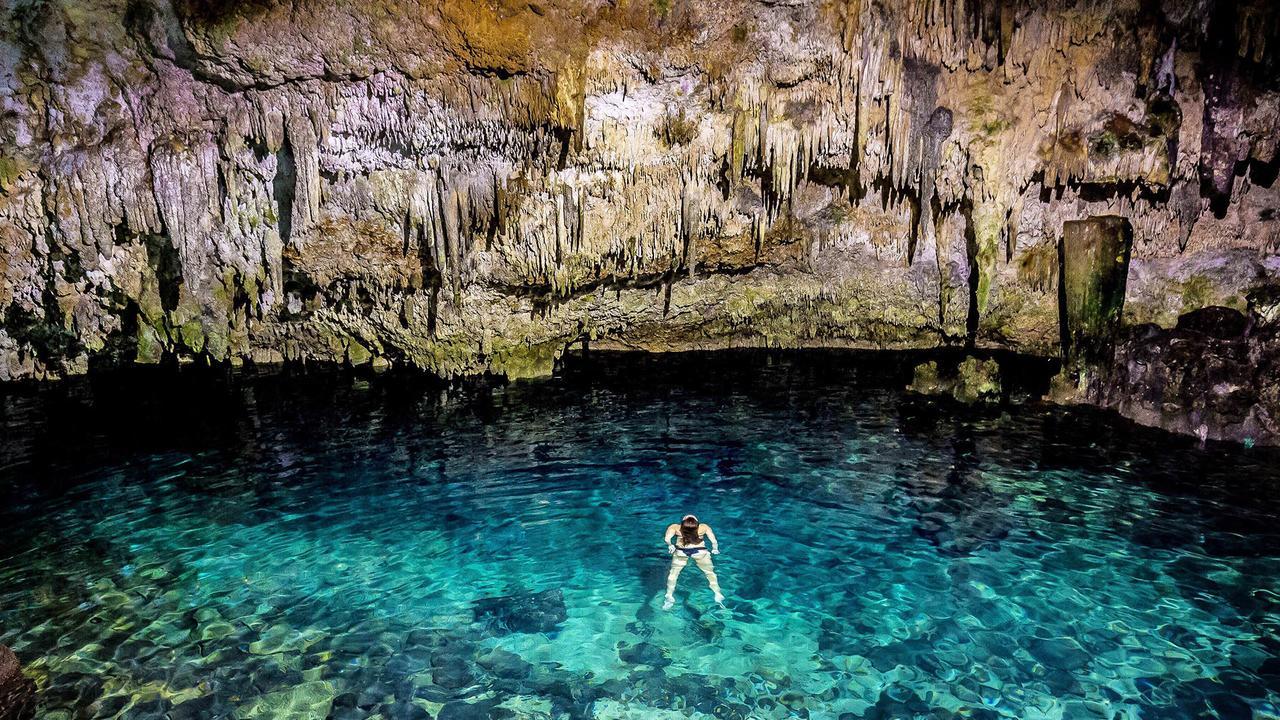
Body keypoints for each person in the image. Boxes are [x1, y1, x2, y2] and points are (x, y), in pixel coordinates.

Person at [663, 514, 723, 609]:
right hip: (700, 551)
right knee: (709, 573)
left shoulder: (675, 527)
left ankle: (669, 595)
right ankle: (718, 594)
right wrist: (715, 549)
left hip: (681, 552)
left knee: (673, 574)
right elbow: (714, 541)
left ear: (682, 523)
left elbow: (667, 539)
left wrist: (670, 545)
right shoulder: (703, 527)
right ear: (697, 523)